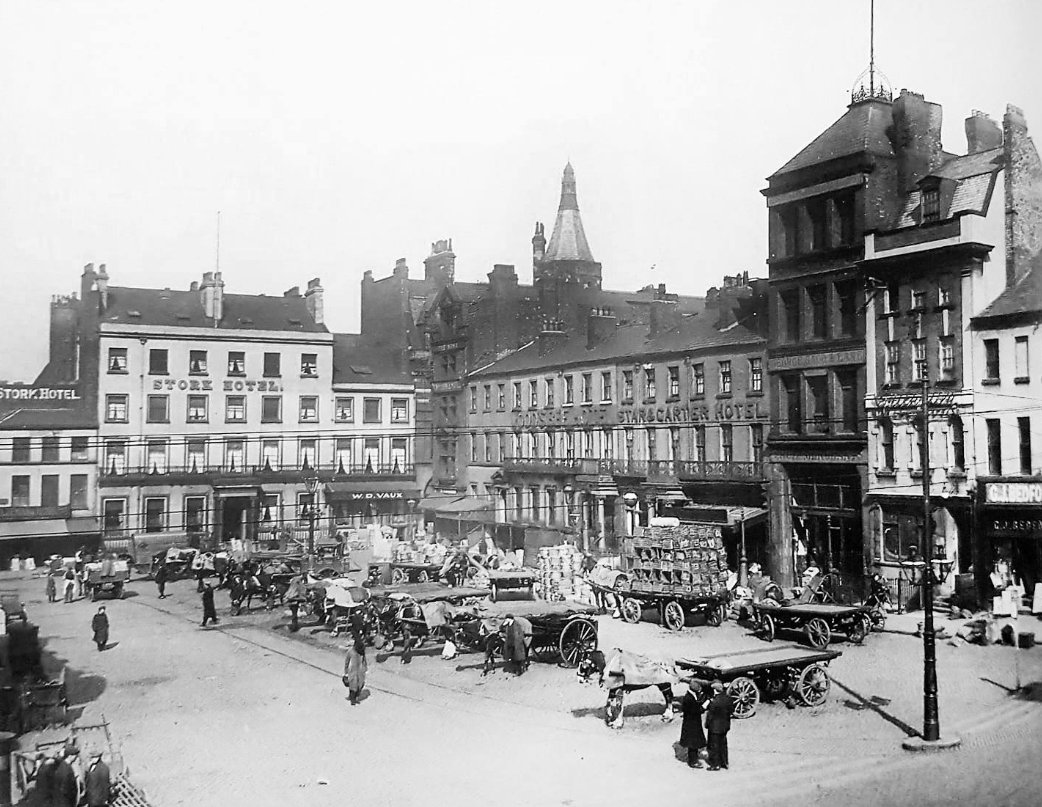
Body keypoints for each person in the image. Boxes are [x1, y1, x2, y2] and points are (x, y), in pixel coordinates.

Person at [678, 681, 708, 769]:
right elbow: (697, 710)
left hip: (690, 722)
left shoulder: (689, 696)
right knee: (693, 742)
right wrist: (706, 704)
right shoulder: (689, 698)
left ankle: (693, 759)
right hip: (692, 724)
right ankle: (693, 762)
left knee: (692, 742)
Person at [705, 679, 733, 771]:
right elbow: (731, 710)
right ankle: (724, 762)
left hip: (714, 727)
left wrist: (707, 725)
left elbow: (710, 715)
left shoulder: (714, 701)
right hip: (725, 726)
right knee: (723, 744)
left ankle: (715, 764)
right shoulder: (728, 698)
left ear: (714, 690)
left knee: (714, 746)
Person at [344, 637, 367, 705]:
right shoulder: (351, 651)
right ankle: (352, 699)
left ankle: (353, 697)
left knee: (360, 685)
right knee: (353, 685)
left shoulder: (362, 651)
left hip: (360, 671)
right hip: (352, 671)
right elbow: (347, 661)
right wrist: (346, 672)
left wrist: (365, 669)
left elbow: (364, 660)